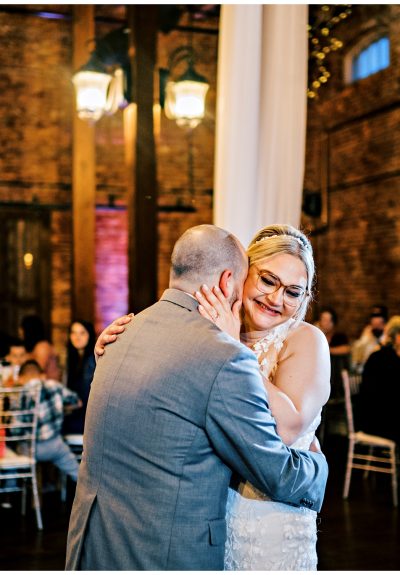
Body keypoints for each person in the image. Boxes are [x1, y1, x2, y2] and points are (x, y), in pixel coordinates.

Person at [68, 224, 329, 571]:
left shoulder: (303, 340)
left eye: (294, 292)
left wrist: (232, 346)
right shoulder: (205, 333)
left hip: (268, 525)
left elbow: (290, 429)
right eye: (267, 281)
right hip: (206, 521)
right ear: (239, 276)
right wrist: (115, 353)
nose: (276, 298)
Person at [18, 359, 81, 482]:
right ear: (42, 375)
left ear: (20, 378)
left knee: (9, 459)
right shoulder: (54, 385)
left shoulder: (20, 394)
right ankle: (90, 494)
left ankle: (11, 494)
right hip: (56, 446)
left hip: (32, 450)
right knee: (77, 473)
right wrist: (61, 408)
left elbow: (17, 430)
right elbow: (77, 402)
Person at [355, 315, 400, 444]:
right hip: (377, 421)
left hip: (387, 415)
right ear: (397, 337)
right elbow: (379, 397)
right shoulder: (380, 358)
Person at [62, 320, 96, 435]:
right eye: (73, 333)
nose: (77, 337)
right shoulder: (71, 358)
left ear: (89, 335)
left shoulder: (93, 359)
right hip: (74, 411)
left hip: (88, 414)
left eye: (82, 333)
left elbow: (88, 392)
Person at [20, 315, 61, 381]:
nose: (20, 331)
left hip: (49, 386)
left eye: (22, 328)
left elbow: (35, 372)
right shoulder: (33, 347)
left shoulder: (43, 346)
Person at [351, 305, 388, 373]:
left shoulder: (388, 332)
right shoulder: (367, 332)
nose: (375, 320)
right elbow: (358, 350)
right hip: (367, 369)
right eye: (373, 317)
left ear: (384, 320)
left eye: (378, 316)